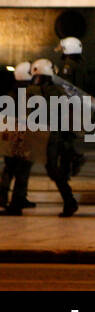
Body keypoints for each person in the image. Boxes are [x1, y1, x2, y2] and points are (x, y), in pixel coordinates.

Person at [0, 62, 35, 215]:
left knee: (11, 169)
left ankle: (9, 198)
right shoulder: (28, 94)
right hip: (21, 138)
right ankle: (16, 201)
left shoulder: (12, 93)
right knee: (20, 170)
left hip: (12, 137)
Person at [55, 37, 87, 177]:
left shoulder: (67, 66)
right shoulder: (80, 64)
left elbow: (66, 88)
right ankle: (68, 165)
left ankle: (69, 165)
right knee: (66, 138)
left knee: (63, 139)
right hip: (77, 105)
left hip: (69, 106)